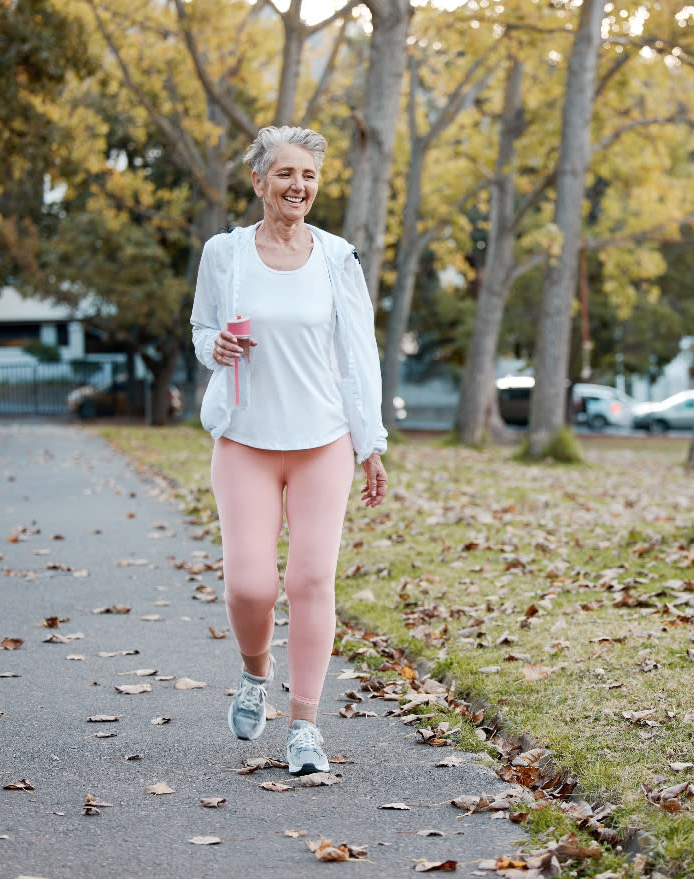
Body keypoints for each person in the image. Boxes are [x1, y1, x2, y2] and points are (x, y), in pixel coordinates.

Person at [190, 126, 388, 776]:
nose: (297, 185)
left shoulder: (337, 258)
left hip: (322, 440)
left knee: (309, 580)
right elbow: (201, 327)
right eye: (284, 174)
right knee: (249, 584)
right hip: (246, 436)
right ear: (259, 182)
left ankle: (305, 725)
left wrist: (370, 444)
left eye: (307, 175)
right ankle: (255, 672)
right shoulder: (225, 254)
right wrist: (212, 346)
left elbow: (359, 356)